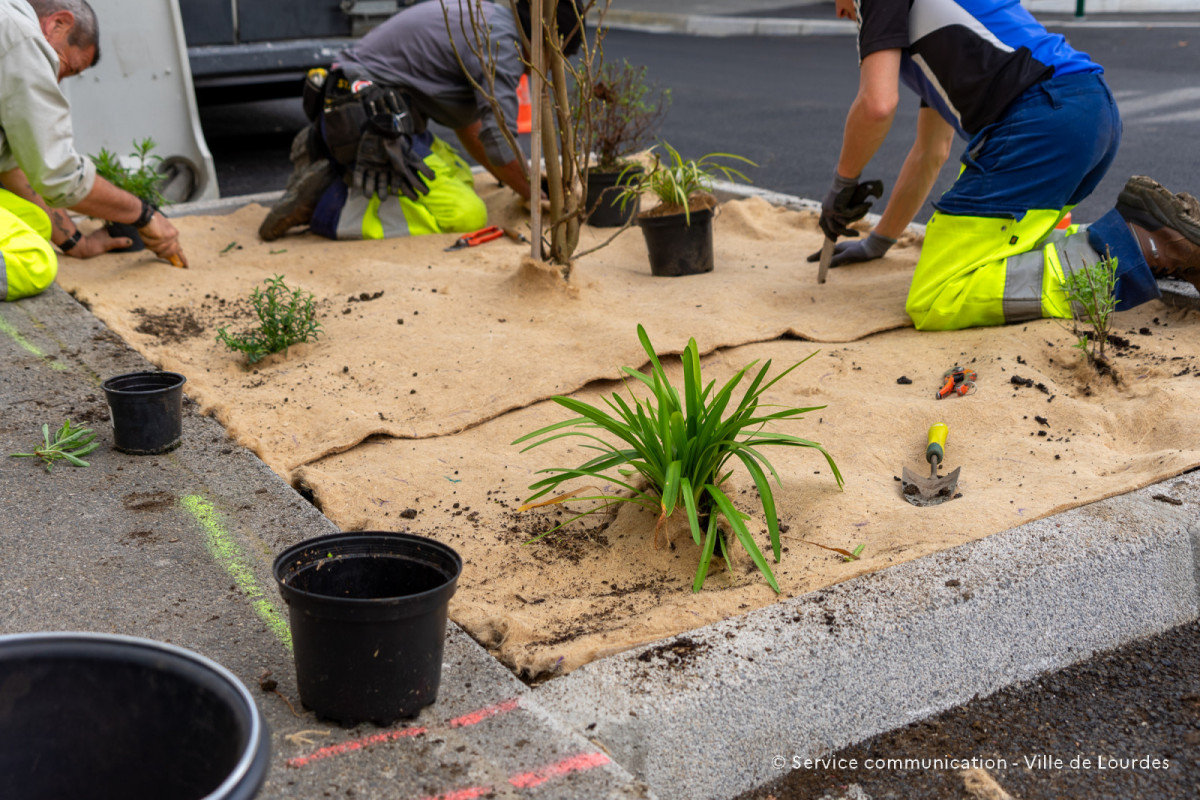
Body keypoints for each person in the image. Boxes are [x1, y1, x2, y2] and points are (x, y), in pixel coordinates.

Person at [817, 0, 1200, 331]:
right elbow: (929, 152)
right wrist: (878, 241)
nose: (839, 11)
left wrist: (842, 185)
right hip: (1088, 110)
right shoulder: (940, 42)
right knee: (1010, 252)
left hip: (1040, 120)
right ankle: (1152, 230)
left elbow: (877, 105)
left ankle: (1141, 246)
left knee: (937, 295)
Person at [259, 0, 583, 243]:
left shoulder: (493, 19)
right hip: (368, 118)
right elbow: (498, 136)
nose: (554, 69)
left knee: (459, 175)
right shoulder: (503, 47)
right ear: (545, 40)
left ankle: (334, 162)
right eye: (559, 56)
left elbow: (472, 127)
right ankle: (328, 202)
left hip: (367, 105)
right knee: (467, 213)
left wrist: (519, 178)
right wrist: (531, 192)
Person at [0, 0, 187, 302]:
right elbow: (59, 175)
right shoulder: (23, 38)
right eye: (66, 68)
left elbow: (13, 169)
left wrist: (77, 243)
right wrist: (145, 215)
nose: (56, 81)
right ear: (58, 23)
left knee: (35, 222)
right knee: (35, 263)